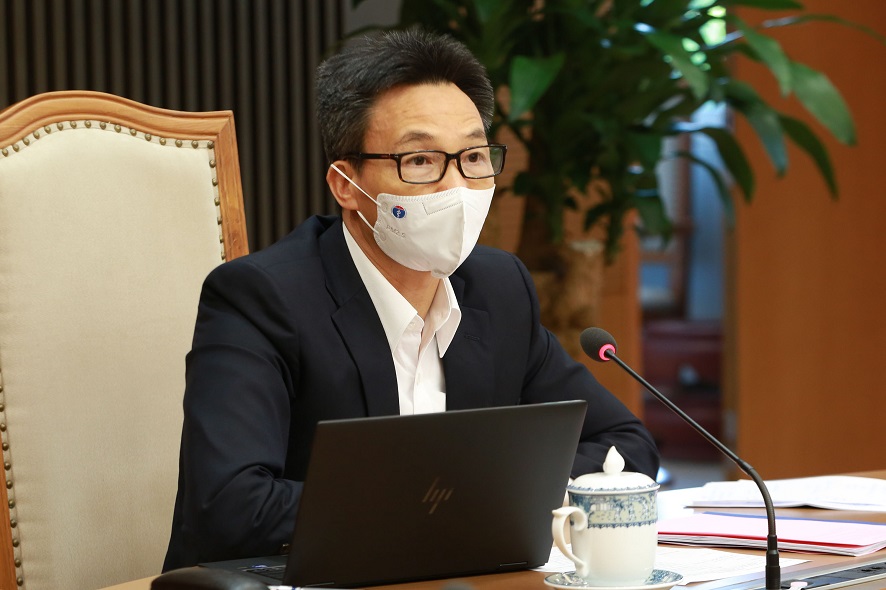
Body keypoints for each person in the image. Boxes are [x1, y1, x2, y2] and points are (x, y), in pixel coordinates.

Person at [162, 28, 659, 571]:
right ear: (346, 185)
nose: (457, 187)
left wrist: (472, 496)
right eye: (420, 161)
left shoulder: (499, 288)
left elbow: (623, 445)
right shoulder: (262, 298)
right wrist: (464, 497)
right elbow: (230, 506)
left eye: (474, 156)